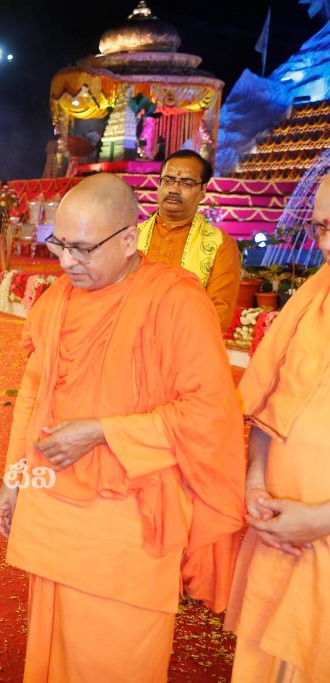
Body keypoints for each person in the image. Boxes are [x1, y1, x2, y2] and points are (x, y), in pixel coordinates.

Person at [0, 173, 245, 682]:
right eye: (60, 244)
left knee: (117, 661)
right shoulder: (58, 299)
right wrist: (15, 477)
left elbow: (211, 413)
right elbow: (35, 394)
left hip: (128, 524)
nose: (66, 262)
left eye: (83, 248)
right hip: (55, 511)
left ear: (129, 240)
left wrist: (104, 430)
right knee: (55, 650)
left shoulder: (175, 300)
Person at [224, 175, 330, 682]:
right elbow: (268, 403)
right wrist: (255, 482)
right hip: (278, 537)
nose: (326, 244)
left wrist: (322, 519)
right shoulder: (312, 296)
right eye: (321, 228)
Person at [137, 149, 240, 332]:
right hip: (125, 345)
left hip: (183, 350)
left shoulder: (221, 246)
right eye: (167, 181)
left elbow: (218, 315)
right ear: (158, 185)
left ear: (202, 191)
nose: (174, 189)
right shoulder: (129, 237)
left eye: (186, 183)